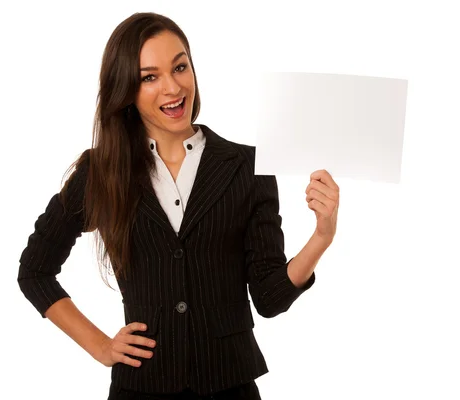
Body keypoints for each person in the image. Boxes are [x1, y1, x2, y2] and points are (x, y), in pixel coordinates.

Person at [17, 11, 339, 400]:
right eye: (149, 77)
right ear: (127, 91)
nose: (172, 87)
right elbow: (35, 271)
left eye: (180, 67)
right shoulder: (102, 171)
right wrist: (101, 346)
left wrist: (322, 236)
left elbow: (270, 299)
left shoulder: (248, 168)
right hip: (141, 386)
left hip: (230, 385)